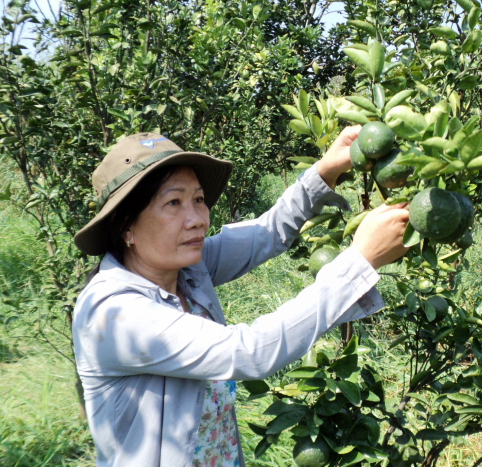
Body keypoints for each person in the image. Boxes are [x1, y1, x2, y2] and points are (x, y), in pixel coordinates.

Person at [72, 128, 409, 467]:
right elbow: (248, 352)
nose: (198, 220)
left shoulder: (186, 270)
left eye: (199, 200)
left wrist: (325, 171)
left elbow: (267, 232)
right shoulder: (113, 314)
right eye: (173, 203)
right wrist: (358, 261)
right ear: (125, 226)